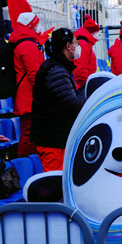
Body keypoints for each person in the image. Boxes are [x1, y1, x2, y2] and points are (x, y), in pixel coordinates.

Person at [30, 28, 87, 172]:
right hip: (53, 138)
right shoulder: (57, 70)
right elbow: (73, 104)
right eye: (76, 43)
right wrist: (88, 91)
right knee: (53, 185)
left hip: (54, 135)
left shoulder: (58, 67)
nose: (78, 46)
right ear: (68, 46)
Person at [10, 12, 45, 158]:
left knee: (30, 134)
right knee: (28, 136)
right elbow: (34, 75)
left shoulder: (25, 42)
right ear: (31, 26)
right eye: (36, 24)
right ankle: (23, 165)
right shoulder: (28, 45)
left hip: (28, 97)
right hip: (29, 99)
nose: (39, 27)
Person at [72, 14, 99, 89]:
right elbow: (80, 69)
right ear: (92, 32)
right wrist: (87, 85)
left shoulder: (86, 43)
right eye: (96, 32)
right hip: (82, 86)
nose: (97, 34)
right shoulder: (83, 44)